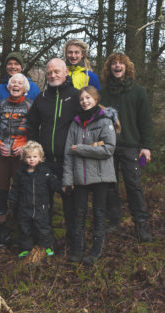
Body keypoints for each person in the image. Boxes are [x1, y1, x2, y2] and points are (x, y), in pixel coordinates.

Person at [26, 58, 81, 250]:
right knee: (43, 205)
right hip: (45, 162)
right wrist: (34, 150)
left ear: (66, 72)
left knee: (71, 207)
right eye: (49, 72)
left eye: (57, 71)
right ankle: (44, 244)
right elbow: (31, 124)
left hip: (68, 161)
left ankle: (73, 246)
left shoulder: (76, 96)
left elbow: (88, 122)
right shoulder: (41, 98)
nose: (52, 75)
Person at [100, 53, 153, 242]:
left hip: (131, 147)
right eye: (113, 63)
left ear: (127, 67)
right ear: (109, 68)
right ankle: (114, 221)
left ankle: (141, 224)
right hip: (109, 147)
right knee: (110, 187)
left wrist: (146, 146)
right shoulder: (104, 93)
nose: (117, 66)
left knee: (134, 186)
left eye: (120, 63)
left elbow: (145, 121)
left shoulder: (139, 91)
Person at [62, 86, 117, 264]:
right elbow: (68, 153)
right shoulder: (75, 122)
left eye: (88, 98)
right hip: (80, 176)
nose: (85, 101)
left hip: (101, 176)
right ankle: (77, 250)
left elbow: (108, 148)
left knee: (99, 213)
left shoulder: (105, 120)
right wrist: (68, 179)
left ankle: (95, 251)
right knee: (79, 213)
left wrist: (82, 149)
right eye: (82, 99)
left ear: (96, 99)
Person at [0, 73, 32, 248]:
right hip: (2, 156)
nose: (15, 85)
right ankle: (2, 231)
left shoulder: (30, 106)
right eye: (13, 82)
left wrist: (25, 145)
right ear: (8, 86)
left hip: (22, 157)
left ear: (25, 88)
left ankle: (23, 231)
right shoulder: (0, 106)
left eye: (19, 83)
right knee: (0, 193)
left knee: (22, 192)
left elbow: (36, 130)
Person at [9, 141, 60, 258]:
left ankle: (46, 246)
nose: (31, 159)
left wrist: (62, 187)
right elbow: (15, 187)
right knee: (25, 229)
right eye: (28, 157)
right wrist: (12, 201)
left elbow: (53, 183)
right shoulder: (21, 172)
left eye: (35, 157)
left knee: (43, 228)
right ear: (24, 158)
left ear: (40, 157)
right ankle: (26, 248)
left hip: (41, 207)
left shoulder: (45, 171)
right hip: (24, 207)